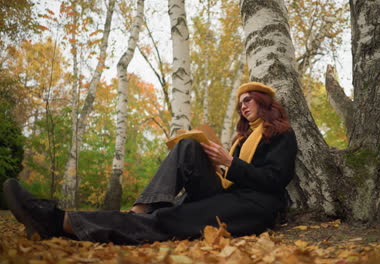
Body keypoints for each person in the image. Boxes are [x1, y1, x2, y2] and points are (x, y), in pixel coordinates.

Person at [3, 82, 298, 245]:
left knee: (166, 220)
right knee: (188, 145)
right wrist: (220, 162)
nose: (243, 105)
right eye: (240, 103)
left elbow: (274, 181)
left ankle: (56, 220)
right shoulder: (242, 139)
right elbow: (232, 173)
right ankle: (142, 206)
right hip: (227, 196)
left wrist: (229, 164)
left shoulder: (282, 135)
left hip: (252, 207)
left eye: (248, 100)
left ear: (264, 101)